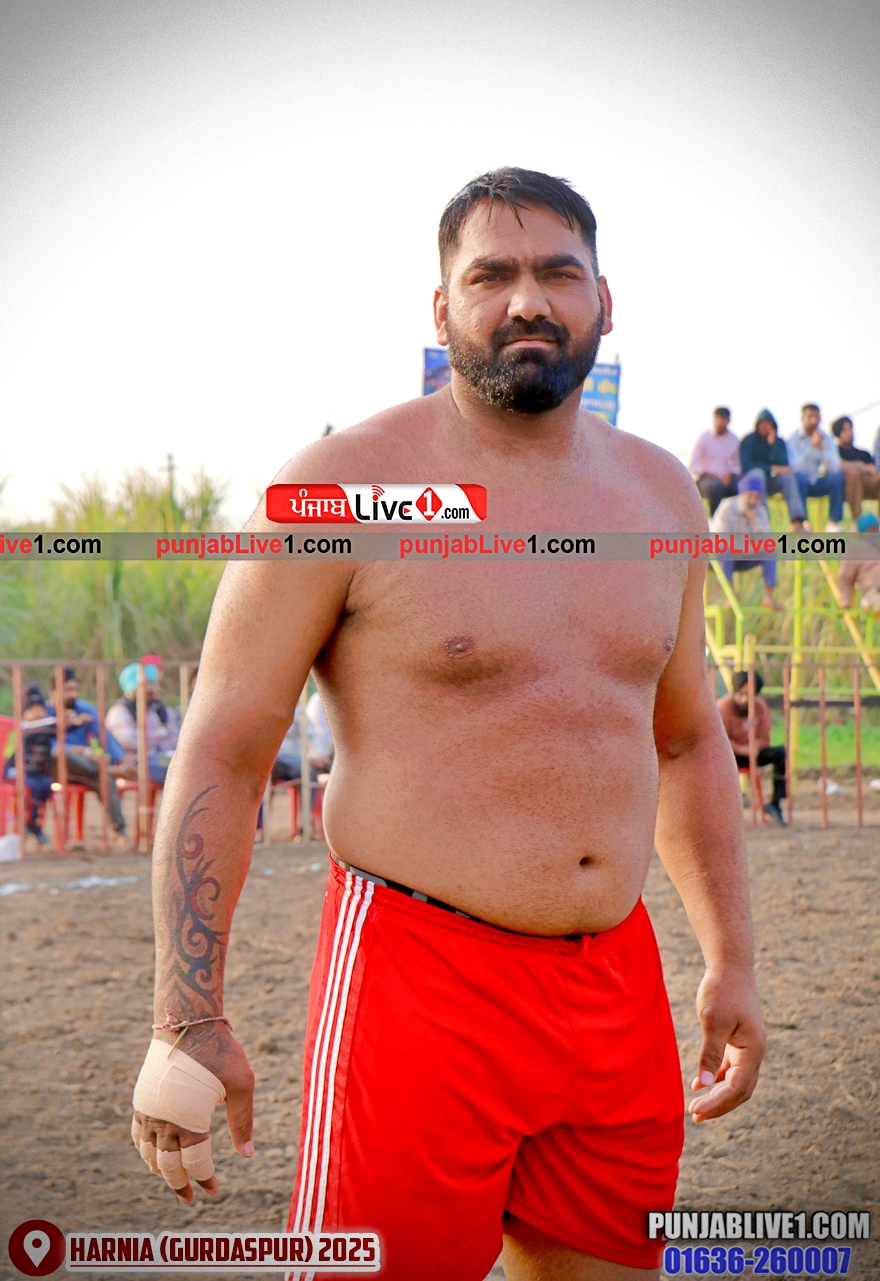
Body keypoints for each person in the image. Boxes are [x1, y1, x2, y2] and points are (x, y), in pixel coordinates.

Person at [131, 167, 765, 1280]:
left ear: (604, 300)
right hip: (417, 984)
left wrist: (730, 961)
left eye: (558, 273)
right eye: (491, 276)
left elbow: (683, 739)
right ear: (441, 308)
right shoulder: (343, 488)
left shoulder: (660, 495)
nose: (528, 301)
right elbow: (224, 752)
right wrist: (185, 1016)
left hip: (615, 980)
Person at [46, 667, 130, 846]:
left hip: (83, 770)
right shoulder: (44, 713)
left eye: (75, 689)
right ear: (53, 692)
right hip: (53, 770)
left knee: (104, 779)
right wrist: (84, 751)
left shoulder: (85, 710)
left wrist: (122, 758)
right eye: (67, 690)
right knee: (59, 753)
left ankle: (120, 832)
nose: (73, 695)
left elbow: (104, 737)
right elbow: (48, 747)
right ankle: (107, 769)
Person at [716, 672, 787, 827]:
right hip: (730, 755)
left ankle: (775, 803)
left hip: (753, 753)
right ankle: (719, 811)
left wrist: (755, 747)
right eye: (741, 694)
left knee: (780, 753)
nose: (744, 699)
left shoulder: (760, 707)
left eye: (749, 695)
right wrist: (741, 749)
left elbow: (764, 737)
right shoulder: (723, 706)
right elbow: (720, 740)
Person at [710, 474, 781, 611]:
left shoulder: (760, 511)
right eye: (750, 496)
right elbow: (718, 539)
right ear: (742, 495)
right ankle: (730, 597)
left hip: (745, 555)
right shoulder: (727, 508)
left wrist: (755, 522)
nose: (753, 501)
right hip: (720, 557)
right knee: (724, 548)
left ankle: (769, 597)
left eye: (756, 497)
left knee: (770, 550)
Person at [106, 663, 176, 785]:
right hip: (136, 763)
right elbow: (128, 741)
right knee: (175, 772)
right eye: (146, 684)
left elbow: (175, 737)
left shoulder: (159, 710)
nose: (151, 689)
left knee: (186, 765)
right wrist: (159, 734)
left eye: (152, 684)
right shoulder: (119, 711)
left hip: (162, 757)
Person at [2, 687, 55, 845]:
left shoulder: (48, 728)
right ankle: (31, 824)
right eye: (32, 709)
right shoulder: (19, 730)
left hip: (40, 774)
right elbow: (11, 755)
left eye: (40, 708)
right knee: (30, 788)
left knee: (45, 786)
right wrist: (10, 771)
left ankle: (30, 823)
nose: (37, 712)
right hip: (21, 773)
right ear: (24, 712)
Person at [738, 409, 807, 528]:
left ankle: (797, 521)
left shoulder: (779, 442)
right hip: (752, 485)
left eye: (768, 423)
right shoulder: (748, 440)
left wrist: (773, 445)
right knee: (758, 473)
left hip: (772, 483)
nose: (765, 426)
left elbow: (784, 465)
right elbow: (746, 465)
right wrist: (771, 468)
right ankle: (763, 520)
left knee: (788, 477)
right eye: (762, 423)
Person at [786, 403, 845, 528]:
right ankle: (803, 522)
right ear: (802, 419)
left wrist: (822, 450)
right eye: (810, 417)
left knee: (837, 477)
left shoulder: (825, 438)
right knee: (798, 477)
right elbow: (794, 467)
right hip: (801, 482)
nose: (813, 421)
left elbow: (835, 467)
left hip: (818, 481)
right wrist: (811, 448)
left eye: (816, 417)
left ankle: (834, 523)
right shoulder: (793, 439)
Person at [688, 407, 741, 515]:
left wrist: (729, 475)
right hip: (706, 478)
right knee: (715, 488)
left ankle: (734, 520)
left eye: (723, 419)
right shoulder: (704, 437)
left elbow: (737, 464)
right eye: (718, 418)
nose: (720, 422)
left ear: (728, 421)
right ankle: (713, 520)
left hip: (726, 477)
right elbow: (692, 464)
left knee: (739, 487)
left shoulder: (733, 439)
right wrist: (711, 475)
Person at [831, 416, 880, 522]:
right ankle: (858, 520)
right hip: (845, 485)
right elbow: (838, 465)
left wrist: (857, 467)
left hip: (868, 483)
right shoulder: (834, 451)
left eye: (850, 429)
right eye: (845, 430)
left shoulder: (863, 453)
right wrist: (860, 466)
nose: (849, 433)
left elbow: (873, 469)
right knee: (853, 474)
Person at [836, 512, 880, 611]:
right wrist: (845, 603)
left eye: (877, 529)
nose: (876, 532)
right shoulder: (854, 553)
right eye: (872, 530)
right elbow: (844, 579)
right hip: (873, 594)